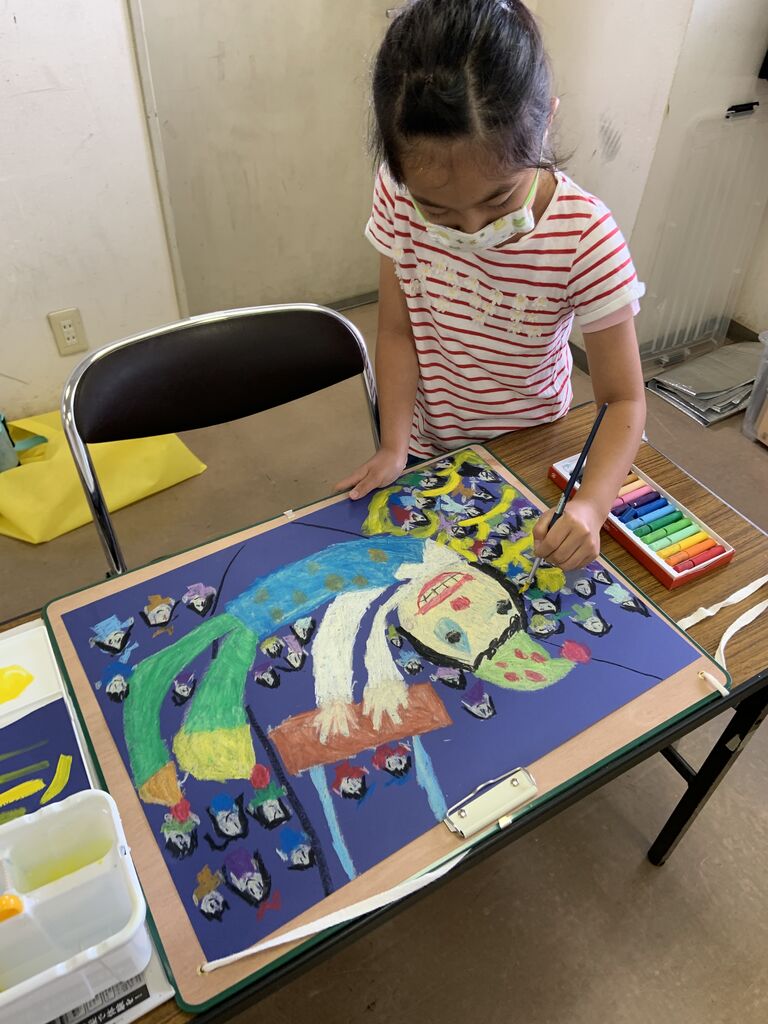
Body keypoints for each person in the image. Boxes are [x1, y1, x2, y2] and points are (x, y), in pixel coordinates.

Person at [336, 0, 646, 572]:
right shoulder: (398, 192)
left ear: (545, 124)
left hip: (533, 446)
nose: (472, 230)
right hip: (428, 444)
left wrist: (590, 505)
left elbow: (623, 399)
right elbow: (398, 331)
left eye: (498, 199)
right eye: (439, 211)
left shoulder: (585, 235)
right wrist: (394, 446)